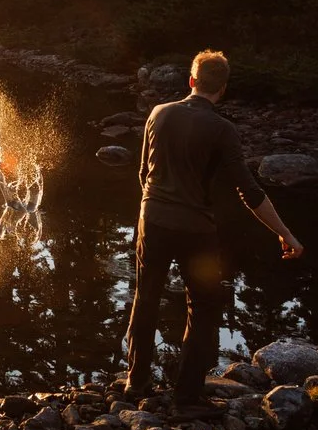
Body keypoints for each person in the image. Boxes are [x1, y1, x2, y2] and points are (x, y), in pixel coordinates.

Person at [123, 49, 304, 409]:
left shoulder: (159, 113)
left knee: (146, 298)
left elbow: (144, 173)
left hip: (152, 221)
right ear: (222, 89)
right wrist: (285, 233)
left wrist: (151, 209)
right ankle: (186, 397)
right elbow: (249, 191)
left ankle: (136, 382)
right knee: (203, 307)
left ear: (191, 81)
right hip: (196, 231)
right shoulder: (223, 129)